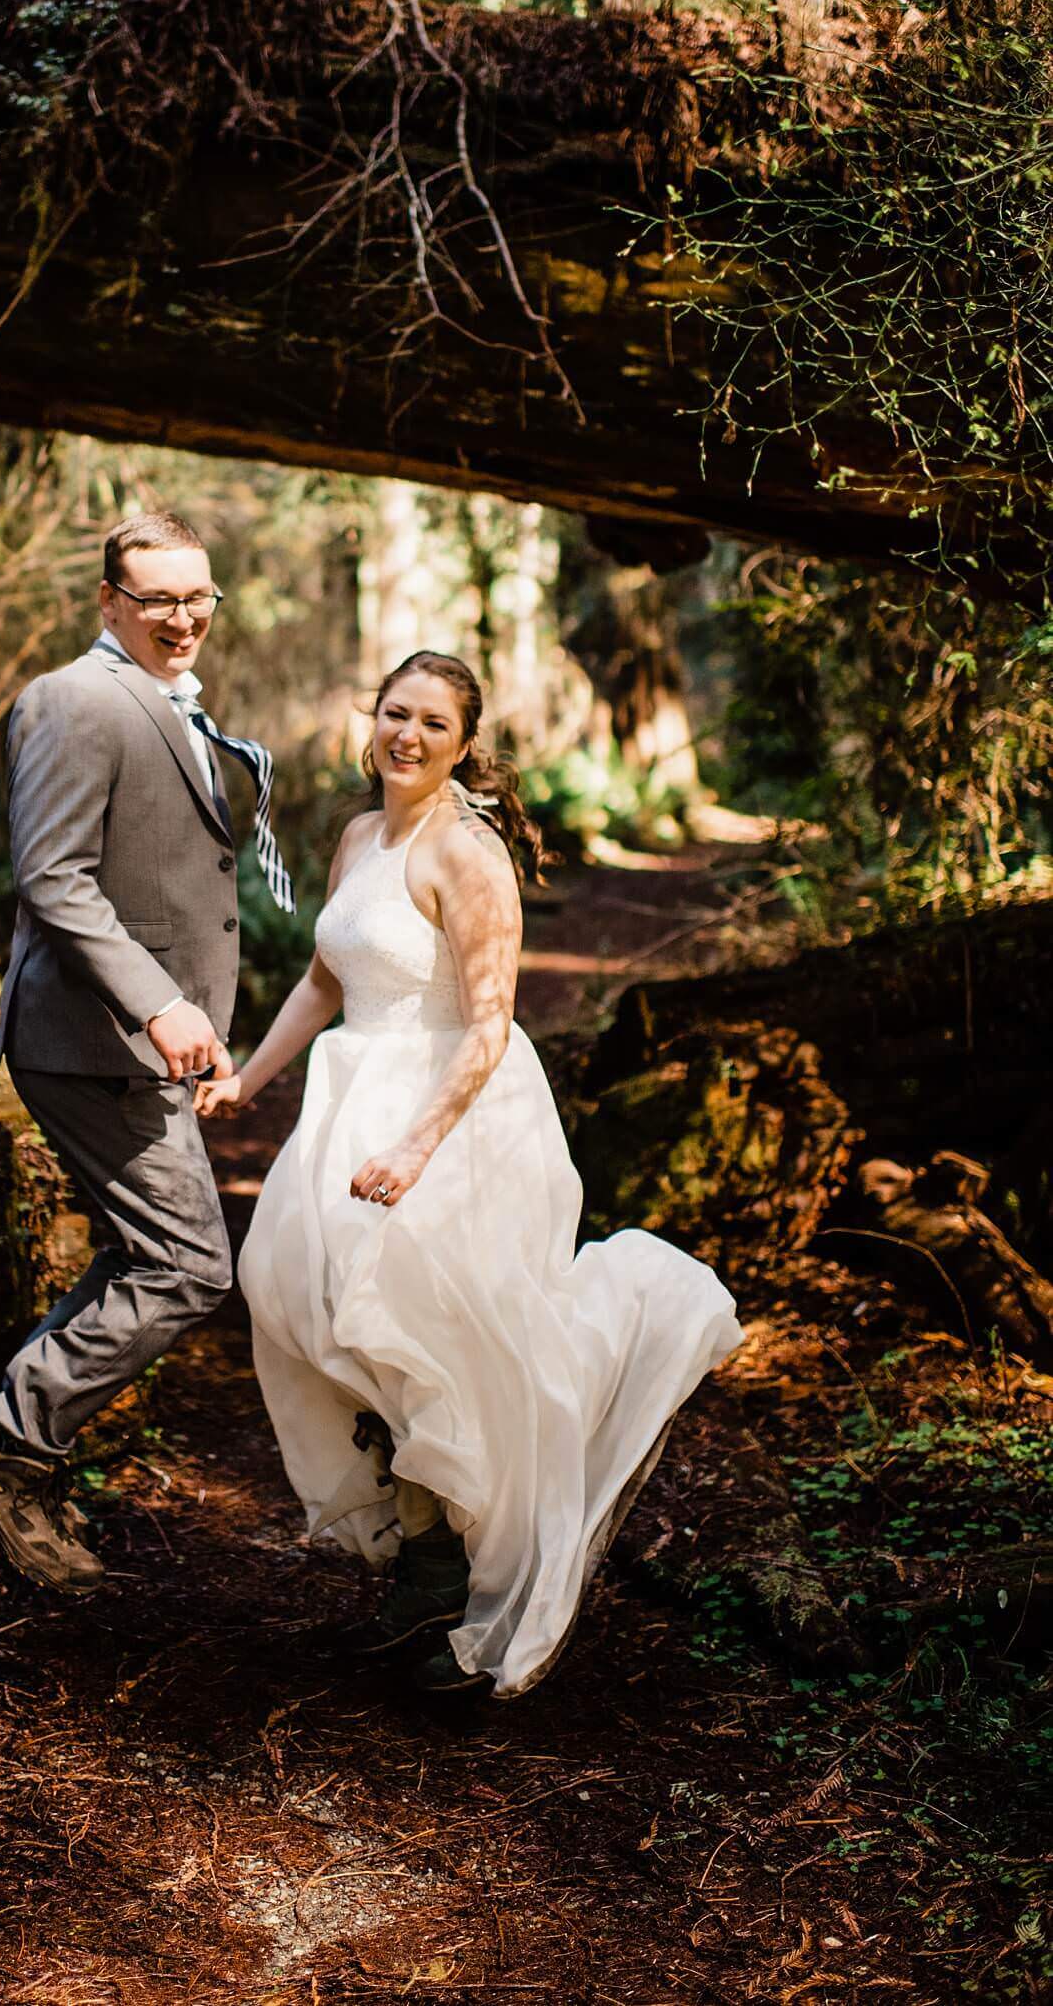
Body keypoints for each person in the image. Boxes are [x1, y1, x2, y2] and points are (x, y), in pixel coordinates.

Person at [196, 651, 742, 1696]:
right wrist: (249, 1081)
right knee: (292, 1290)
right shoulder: (362, 833)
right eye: (395, 714)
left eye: (432, 725)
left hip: (454, 1111)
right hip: (349, 1094)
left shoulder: (470, 854)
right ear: (374, 720)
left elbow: (491, 1023)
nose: (407, 735)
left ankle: (453, 1565)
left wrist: (417, 1144)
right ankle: (422, 1538)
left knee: (427, 1332)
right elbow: (324, 978)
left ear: (464, 744)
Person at [0, 510, 294, 1591]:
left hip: (141, 1044)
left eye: (197, 598)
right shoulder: (75, 699)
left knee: (156, 1256)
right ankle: (2, 1457)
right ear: (109, 602)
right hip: (91, 1038)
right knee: (188, 1265)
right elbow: (51, 876)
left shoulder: (167, 701)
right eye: (156, 600)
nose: (181, 618)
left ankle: (21, 1461)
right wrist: (157, 1005)